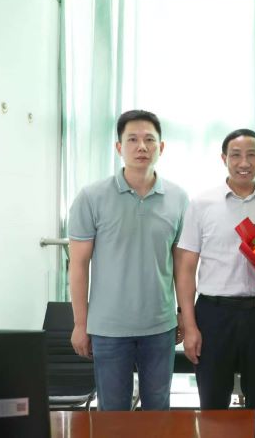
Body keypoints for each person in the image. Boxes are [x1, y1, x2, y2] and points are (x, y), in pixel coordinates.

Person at [68, 109, 189, 411]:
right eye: (132, 139)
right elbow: (78, 265)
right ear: (119, 147)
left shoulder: (178, 198)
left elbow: (183, 267)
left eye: (149, 140)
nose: (141, 147)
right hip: (108, 328)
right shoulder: (91, 197)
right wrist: (80, 323)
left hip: (160, 327)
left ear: (161, 147)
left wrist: (184, 315)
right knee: (112, 414)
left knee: (158, 411)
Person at [176, 129, 255, 438]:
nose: (244, 162)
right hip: (214, 314)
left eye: (251, 155)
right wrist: (190, 326)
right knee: (213, 403)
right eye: (236, 155)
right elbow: (186, 269)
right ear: (224, 158)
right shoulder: (202, 204)